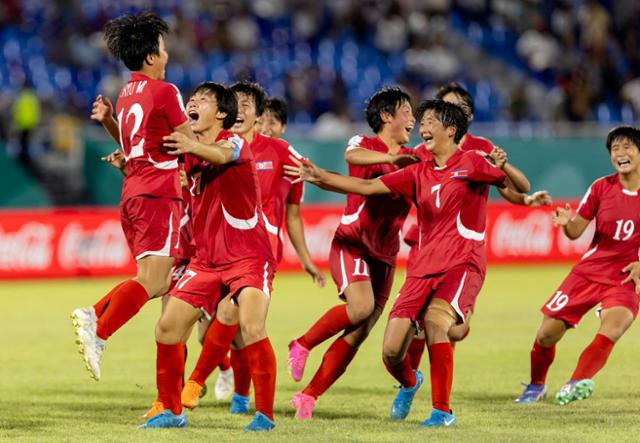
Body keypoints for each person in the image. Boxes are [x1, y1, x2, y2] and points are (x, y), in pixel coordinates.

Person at [286, 99, 524, 427]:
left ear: (451, 130)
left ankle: (442, 411)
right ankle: (411, 382)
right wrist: (318, 176)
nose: (420, 126)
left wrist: (507, 170)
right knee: (390, 351)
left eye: (427, 121)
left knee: (434, 323)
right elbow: (366, 185)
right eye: (416, 118)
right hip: (407, 264)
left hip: (459, 262)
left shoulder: (470, 161)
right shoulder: (412, 166)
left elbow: (517, 186)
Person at [180, 81, 325, 416]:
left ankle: (207, 386)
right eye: (237, 103)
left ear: (260, 116)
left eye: (248, 105)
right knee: (212, 333)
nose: (241, 110)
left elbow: (300, 193)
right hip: (214, 250)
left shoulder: (275, 150)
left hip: (256, 250)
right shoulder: (209, 145)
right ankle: (232, 385)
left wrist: (315, 175)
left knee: (235, 319)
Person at [141, 81, 277, 431]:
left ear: (220, 113)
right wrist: (113, 127)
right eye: (191, 99)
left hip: (249, 257)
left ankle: (264, 416)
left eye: (202, 99)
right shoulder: (187, 153)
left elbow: (220, 155)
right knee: (167, 329)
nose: (192, 102)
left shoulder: (234, 142)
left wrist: (189, 143)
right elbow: (145, 160)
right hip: (206, 261)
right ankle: (171, 411)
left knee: (251, 326)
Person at [71, 12, 194, 381]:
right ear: (152, 57)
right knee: (157, 282)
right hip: (158, 194)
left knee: (155, 279)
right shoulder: (165, 91)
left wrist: (109, 121)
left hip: (134, 194)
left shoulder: (127, 92)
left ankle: (94, 317)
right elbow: (190, 140)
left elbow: (130, 145)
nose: (168, 54)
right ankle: (97, 324)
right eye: (163, 47)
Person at [287, 87, 419, 420]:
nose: (413, 119)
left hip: (385, 258)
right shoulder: (363, 143)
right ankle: (301, 343)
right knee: (360, 308)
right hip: (352, 243)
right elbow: (352, 159)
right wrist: (391, 159)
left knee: (359, 333)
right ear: (386, 116)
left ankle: (308, 396)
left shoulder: (416, 158)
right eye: (406, 111)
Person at [404, 82, 549, 365]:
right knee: (418, 323)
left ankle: (437, 366)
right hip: (425, 246)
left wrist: (526, 200)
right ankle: (411, 382)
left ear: (467, 115)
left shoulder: (481, 149)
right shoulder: (422, 150)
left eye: (454, 106)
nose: (446, 112)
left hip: (463, 250)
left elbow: (508, 187)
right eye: (441, 107)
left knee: (453, 329)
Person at [515, 126, 640, 405]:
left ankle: (574, 383)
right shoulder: (601, 187)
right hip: (590, 271)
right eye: (615, 149)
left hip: (626, 276)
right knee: (546, 335)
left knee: (612, 329)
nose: (621, 153)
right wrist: (566, 224)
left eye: (627, 147)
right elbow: (575, 231)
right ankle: (536, 386)